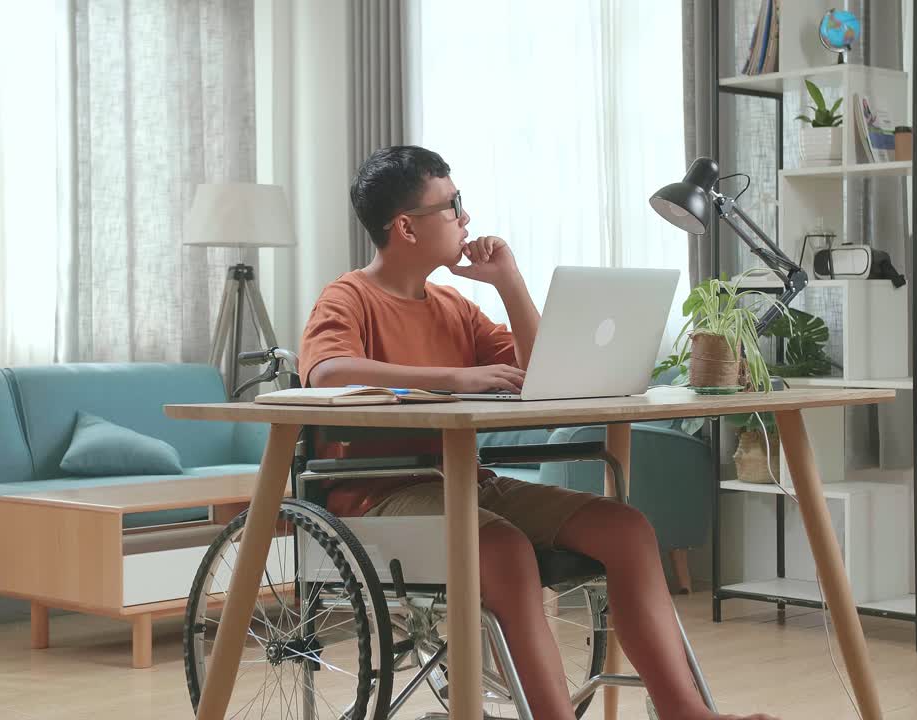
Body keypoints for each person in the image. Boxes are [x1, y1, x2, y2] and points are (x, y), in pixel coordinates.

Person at [298, 145, 777, 720]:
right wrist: (455, 377)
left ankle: (686, 714)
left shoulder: (453, 306)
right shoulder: (349, 297)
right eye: (452, 205)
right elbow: (327, 372)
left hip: (463, 483)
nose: (466, 217)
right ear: (405, 227)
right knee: (503, 549)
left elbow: (538, 367)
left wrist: (508, 281)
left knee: (626, 529)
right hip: (377, 498)